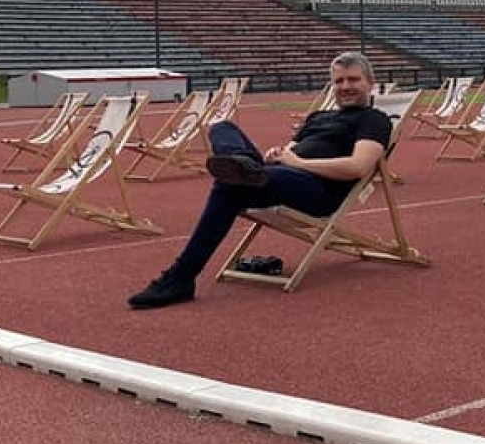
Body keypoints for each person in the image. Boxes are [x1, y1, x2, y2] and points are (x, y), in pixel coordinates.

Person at [128, 51, 393, 309]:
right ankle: (244, 167)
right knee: (222, 128)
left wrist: (298, 163)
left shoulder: (374, 120)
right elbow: (290, 150)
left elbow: (358, 167)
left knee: (231, 185)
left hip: (317, 190)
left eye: (353, 80)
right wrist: (278, 155)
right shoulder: (318, 117)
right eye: (339, 81)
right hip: (280, 176)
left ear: (370, 83)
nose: (345, 86)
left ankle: (181, 276)